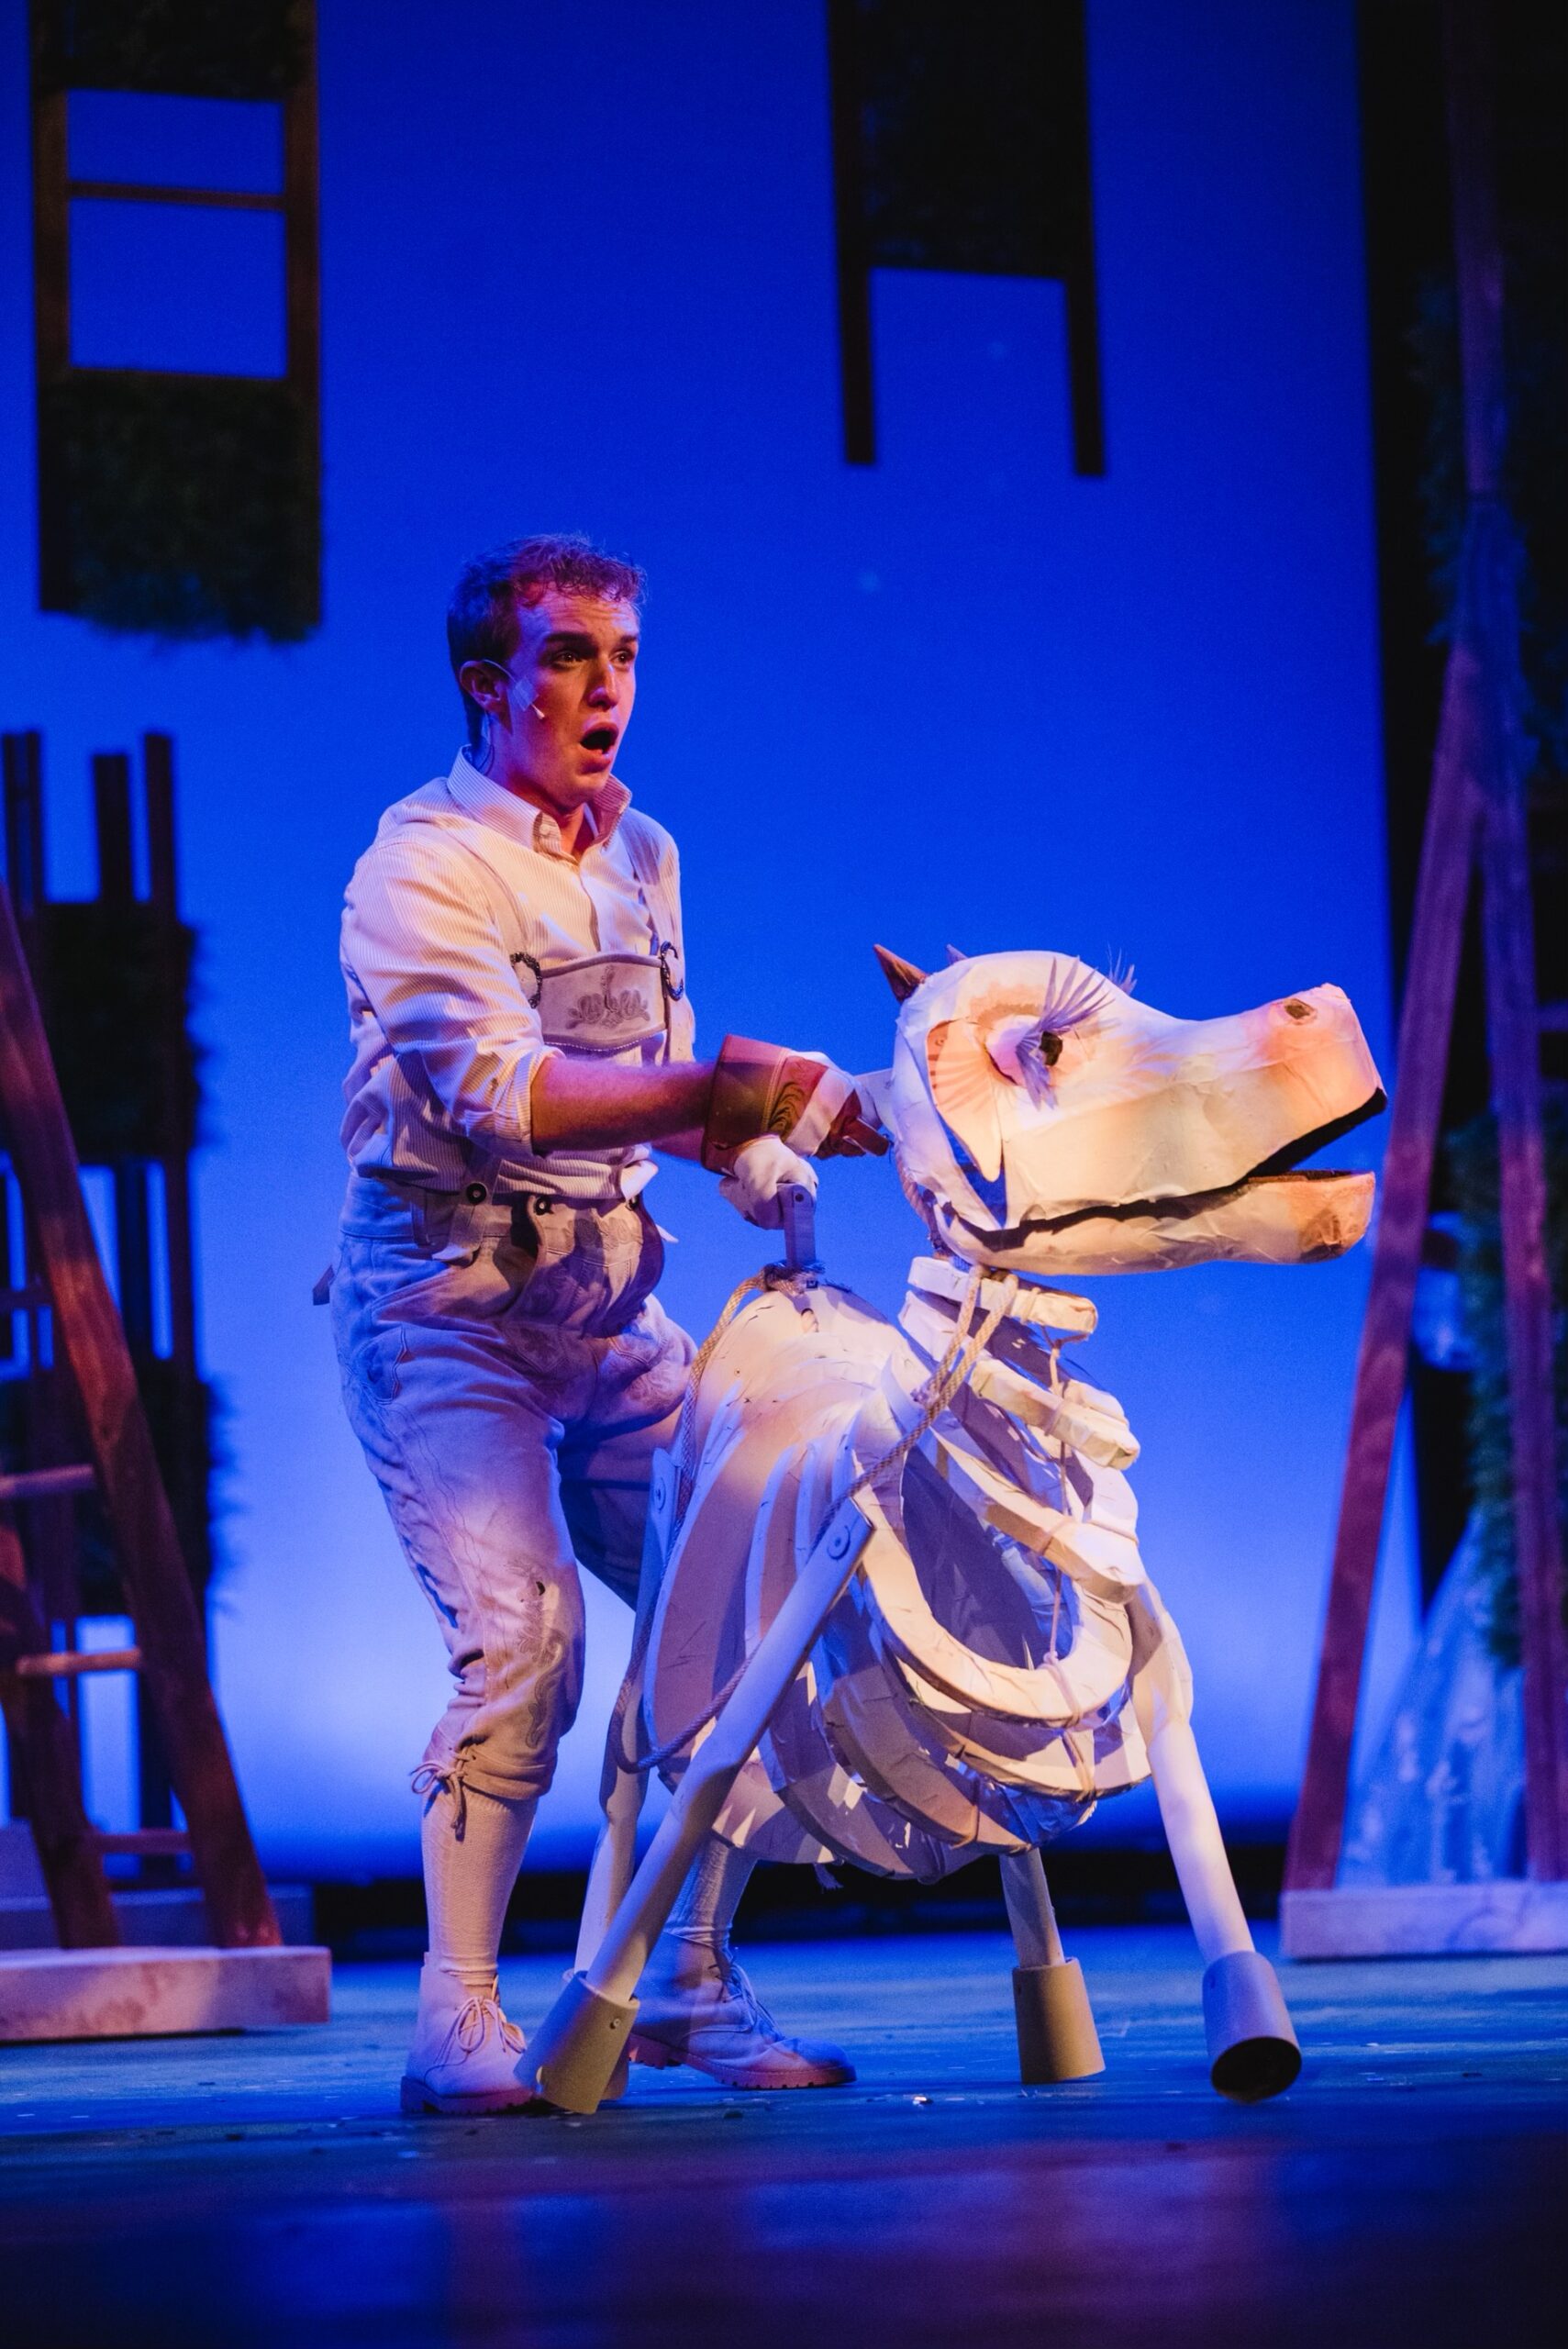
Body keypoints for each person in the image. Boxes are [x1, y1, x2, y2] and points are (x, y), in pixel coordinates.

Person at [330, 534, 881, 2112]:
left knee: (751, 1608)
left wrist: (750, 1144)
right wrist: (731, 1092)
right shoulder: (420, 867)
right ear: (487, 684)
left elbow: (648, 1067)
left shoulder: (643, 853)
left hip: (606, 1308)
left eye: (622, 656)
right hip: (448, 1310)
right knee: (528, 1644)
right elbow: (499, 1093)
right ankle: (455, 2018)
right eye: (568, 656)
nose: (603, 687)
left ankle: (680, 1978)